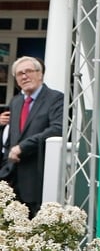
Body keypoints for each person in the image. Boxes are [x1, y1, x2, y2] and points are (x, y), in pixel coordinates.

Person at [0, 56, 64, 218]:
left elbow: (57, 129)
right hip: (12, 179)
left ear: (40, 73)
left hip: (37, 176)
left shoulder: (55, 98)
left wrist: (23, 147)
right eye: (19, 74)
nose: (24, 76)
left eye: (28, 71)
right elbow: (12, 139)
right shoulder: (15, 102)